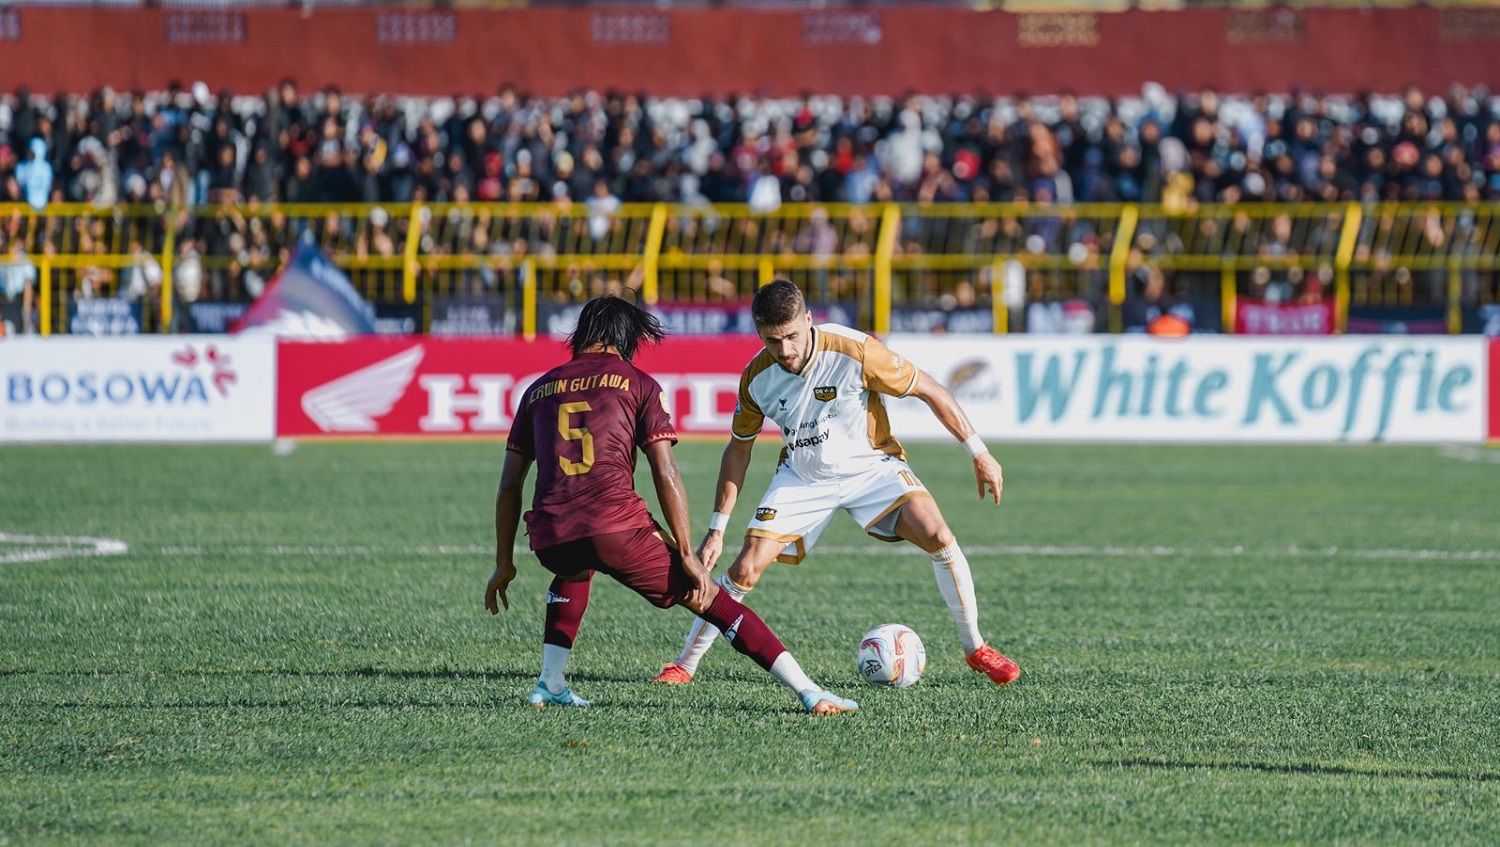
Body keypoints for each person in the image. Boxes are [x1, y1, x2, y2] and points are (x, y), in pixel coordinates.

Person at [484, 295, 858, 715]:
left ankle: (550, 683)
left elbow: (509, 486)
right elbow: (665, 472)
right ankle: (810, 691)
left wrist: (504, 563)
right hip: (616, 530)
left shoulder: (538, 389)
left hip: (551, 537)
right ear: (627, 336)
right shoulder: (637, 383)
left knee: (574, 566)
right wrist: (686, 553)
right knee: (711, 599)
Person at [654, 280, 1020, 686]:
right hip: (803, 477)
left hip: (871, 468)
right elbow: (739, 449)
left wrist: (979, 452)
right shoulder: (757, 378)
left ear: (809, 321)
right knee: (744, 568)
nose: (786, 350)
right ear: (760, 335)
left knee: (939, 535)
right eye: (773, 341)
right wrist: (717, 529)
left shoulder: (854, 350)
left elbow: (930, 389)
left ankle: (976, 648)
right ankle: (685, 663)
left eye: (792, 336)